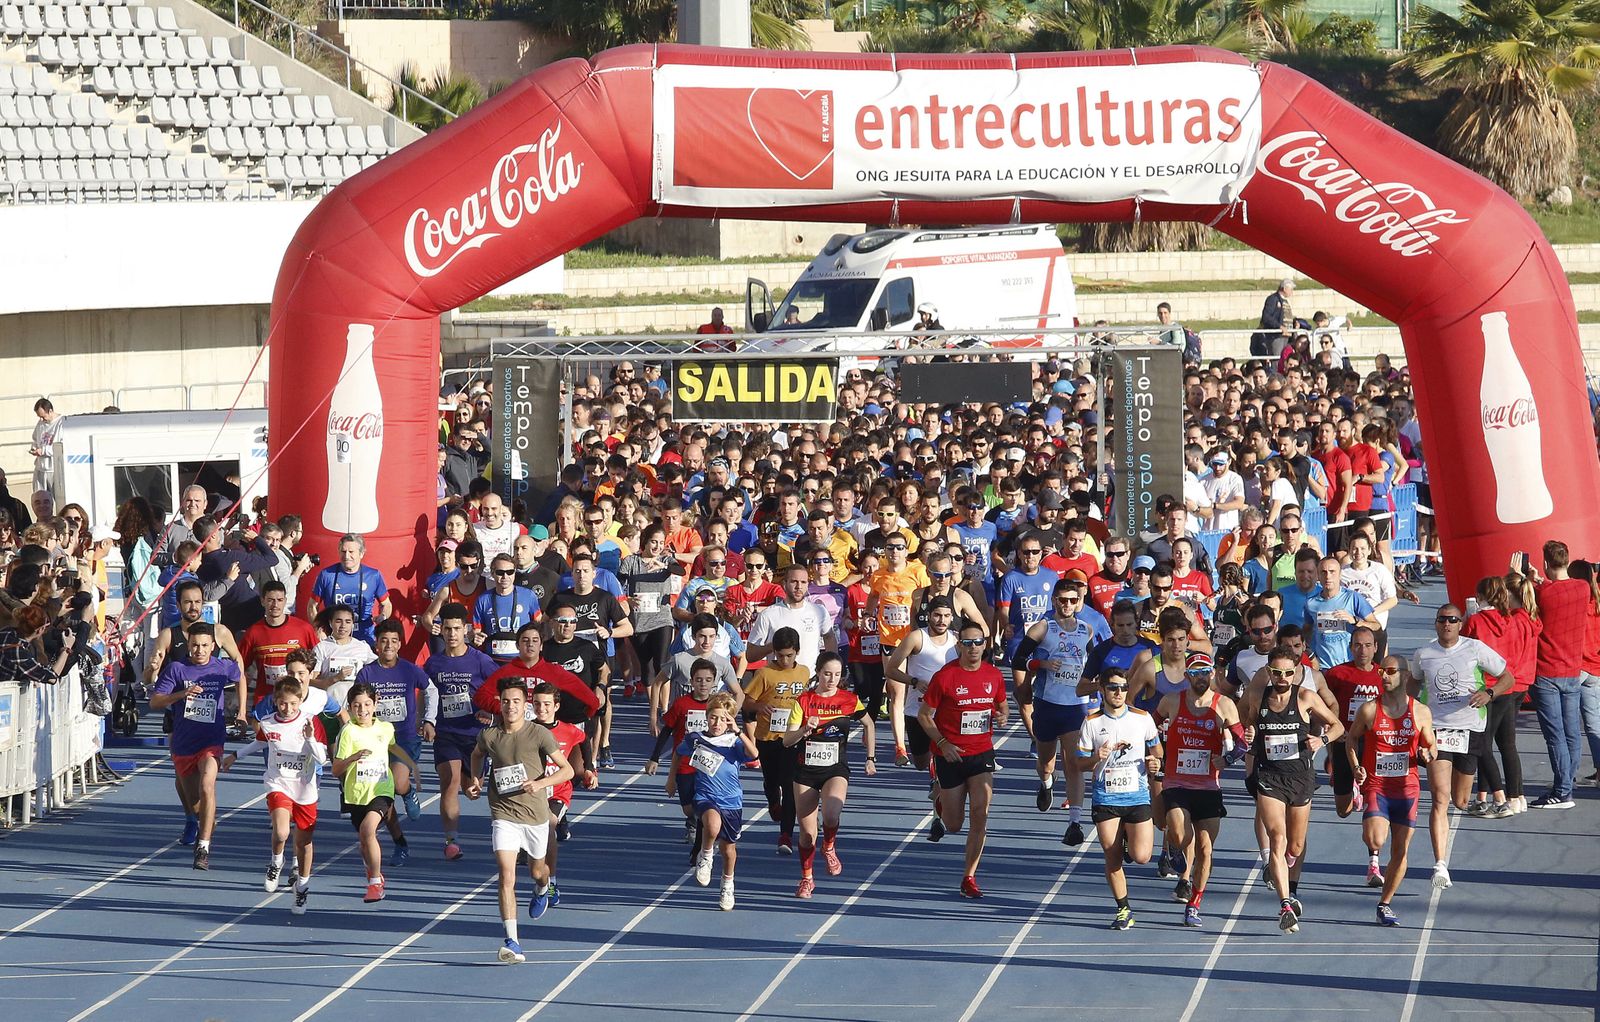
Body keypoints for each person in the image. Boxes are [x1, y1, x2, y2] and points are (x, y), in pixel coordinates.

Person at [465, 675, 572, 963]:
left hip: (535, 815)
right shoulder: (489, 735)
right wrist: (476, 780)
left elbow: (568, 771)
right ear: (498, 705)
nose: (510, 706)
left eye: (515, 701)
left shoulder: (539, 734)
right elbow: (476, 756)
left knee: (538, 871)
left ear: (525, 704)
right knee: (506, 875)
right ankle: (512, 941)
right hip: (503, 813)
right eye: (505, 701)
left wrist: (539, 784)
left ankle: (542, 888)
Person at [1409, 603, 1515, 890]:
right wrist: (1409, 717)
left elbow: (1509, 677)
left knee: (1460, 800)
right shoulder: (1424, 655)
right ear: (1436, 623)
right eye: (1442, 620)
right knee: (1440, 799)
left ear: (1460, 623)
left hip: (1470, 730)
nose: (1447, 624)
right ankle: (1440, 864)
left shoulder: (1475, 649)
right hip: (1438, 731)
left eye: (1453, 620)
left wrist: (1489, 693)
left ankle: (1457, 813)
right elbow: (1412, 688)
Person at [1244, 646, 1345, 933]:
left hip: (1301, 778)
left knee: (1295, 845)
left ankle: (1286, 874)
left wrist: (1321, 741)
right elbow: (1250, 723)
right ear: (1269, 672)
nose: (1283, 678)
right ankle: (1285, 903)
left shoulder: (1305, 697)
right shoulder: (1257, 695)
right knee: (1277, 838)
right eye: (1277, 673)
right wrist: (1250, 733)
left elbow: (1338, 727)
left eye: (1289, 672)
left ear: (1296, 672)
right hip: (1270, 778)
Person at [223, 676, 328, 914]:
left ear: (300, 701)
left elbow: (322, 759)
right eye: (282, 703)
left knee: (304, 843)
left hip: (305, 789)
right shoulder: (269, 724)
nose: (288, 709)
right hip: (278, 783)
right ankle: (276, 862)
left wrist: (310, 737)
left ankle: (302, 887)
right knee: (281, 831)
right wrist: (234, 756)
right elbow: (259, 743)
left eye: (292, 703)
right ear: (275, 701)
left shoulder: (311, 723)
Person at [918, 620, 1008, 898]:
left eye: (977, 642)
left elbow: (1002, 705)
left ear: (985, 645)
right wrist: (942, 744)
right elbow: (924, 715)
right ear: (958, 646)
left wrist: (1002, 715)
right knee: (954, 825)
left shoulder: (993, 675)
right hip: (951, 755)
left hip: (981, 753)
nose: (973, 648)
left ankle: (969, 876)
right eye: (967, 643)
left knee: (980, 813)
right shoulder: (945, 677)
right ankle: (940, 798)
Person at [1347, 654, 1436, 926]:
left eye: (1390, 671)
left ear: (1405, 675)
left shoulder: (1420, 712)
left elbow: (1432, 746)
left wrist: (1427, 754)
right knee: (1375, 839)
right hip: (1377, 785)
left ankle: (1384, 903)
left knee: (1401, 850)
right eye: (1381, 671)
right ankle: (1374, 859)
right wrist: (1355, 767)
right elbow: (1351, 738)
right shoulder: (1369, 710)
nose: (1384, 676)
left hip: (1407, 789)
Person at [1156, 656, 1244, 927]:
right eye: (1196, 673)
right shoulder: (1171, 701)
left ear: (1212, 675)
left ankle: (1194, 904)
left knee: (1205, 849)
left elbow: (1241, 744)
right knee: (1182, 834)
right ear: (1187, 676)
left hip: (1208, 786)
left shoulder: (1225, 705)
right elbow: (1149, 729)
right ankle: (1173, 845)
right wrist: (1157, 744)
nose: (1201, 678)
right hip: (1177, 782)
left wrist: (1226, 760)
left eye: (1206, 672)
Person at [781, 651, 876, 897]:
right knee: (807, 834)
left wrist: (870, 757)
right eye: (827, 674)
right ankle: (807, 878)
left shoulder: (849, 700)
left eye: (837, 674)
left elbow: (869, 724)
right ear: (818, 672)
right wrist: (804, 729)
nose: (832, 679)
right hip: (805, 771)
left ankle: (830, 845)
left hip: (835, 767)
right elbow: (786, 741)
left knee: (832, 814)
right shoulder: (803, 701)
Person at [149, 623, 242, 870]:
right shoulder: (177, 669)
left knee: (207, 785)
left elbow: (240, 672)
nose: (199, 650)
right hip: (184, 742)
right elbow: (155, 701)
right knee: (196, 801)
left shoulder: (222, 668)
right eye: (194, 646)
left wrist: (242, 711)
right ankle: (202, 819)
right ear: (188, 645)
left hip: (211, 740)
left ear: (213, 646)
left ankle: (203, 847)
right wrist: (182, 694)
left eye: (204, 646)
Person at [1012, 576, 1096, 845]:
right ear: (1054, 601)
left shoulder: (1087, 630)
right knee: (1046, 762)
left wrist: (1095, 688)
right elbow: (1017, 659)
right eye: (1063, 600)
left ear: (1079, 602)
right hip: (1047, 705)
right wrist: (1042, 665)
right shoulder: (1042, 628)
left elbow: (1092, 665)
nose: (1068, 605)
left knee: (1074, 764)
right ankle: (1046, 782)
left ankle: (1074, 822)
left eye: (1073, 600)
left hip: (1075, 707)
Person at [1078, 667, 1163, 930]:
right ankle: (1123, 908)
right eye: (1113, 688)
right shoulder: (1091, 722)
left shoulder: (1142, 718)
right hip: (1106, 797)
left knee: (1142, 856)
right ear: (1102, 690)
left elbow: (1157, 751)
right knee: (1111, 855)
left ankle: (1128, 838)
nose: (1119, 693)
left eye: (1123, 688)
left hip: (1136, 796)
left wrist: (1154, 764)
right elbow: (1078, 764)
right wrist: (1097, 757)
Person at [423, 603, 500, 860]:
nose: (452, 634)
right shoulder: (433, 663)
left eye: (457, 628)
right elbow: (427, 694)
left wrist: (491, 713)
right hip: (446, 731)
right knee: (450, 782)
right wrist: (427, 721)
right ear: (441, 630)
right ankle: (451, 840)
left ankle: (476, 777)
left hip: (475, 734)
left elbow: (501, 689)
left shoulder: (481, 661)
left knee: (473, 789)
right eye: (447, 629)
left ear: (466, 629)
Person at [332, 681, 418, 905]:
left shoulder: (386, 729)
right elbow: (335, 770)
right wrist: (353, 758)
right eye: (357, 706)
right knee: (364, 839)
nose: (363, 710)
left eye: (367, 704)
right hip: (356, 794)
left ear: (375, 703)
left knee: (368, 830)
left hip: (381, 789)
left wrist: (412, 769)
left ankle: (374, 883)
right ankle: (375, 873)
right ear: (350, 707)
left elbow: (390, 750)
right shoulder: (348, 732)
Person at [680, 691, 759, 911]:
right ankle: (705, 857)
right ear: (707, 716)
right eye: (713, 717)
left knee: (728, 850)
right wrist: (672, 780)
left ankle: (727, 883)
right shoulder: (696, 738)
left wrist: (739, 732)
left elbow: (754, 754)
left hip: (731, 801)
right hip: (705, 796)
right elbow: (679, 752)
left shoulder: (734, 742)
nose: (717, 722)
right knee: (711, 825)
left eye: (723, 718)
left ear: (730, 720)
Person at [740, 626, 810, 854]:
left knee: (790, 785)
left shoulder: (804, 673)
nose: (784, 659)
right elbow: (746, 701)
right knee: (772, 781)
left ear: (797, 652)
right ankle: (772, 801)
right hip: (767, 738)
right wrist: (760, 706)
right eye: (780, 655)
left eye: (789, 655)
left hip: (793, 738)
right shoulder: (765, 674)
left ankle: (786, 834)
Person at [1529, 540, 1588, 809]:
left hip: (1547, 671)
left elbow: (1541, 596)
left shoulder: (1542, 592)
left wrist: (1531, 580)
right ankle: (1567, 782)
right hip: (1573, 670)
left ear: (1545, 563)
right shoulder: (1583, 588)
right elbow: (1559, 589)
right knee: (1572, 733)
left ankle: (1563, 790)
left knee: (1555, 736)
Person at [356, 618, 430, 823]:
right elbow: (356, 702)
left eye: (394, 641)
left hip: (404, 738)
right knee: (380, 788)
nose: (389, 645)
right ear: (376, 644)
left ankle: (407, 793)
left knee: (397, 783)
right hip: (375, 739)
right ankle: (392, 832)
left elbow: (430, 688)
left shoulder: (409, 669)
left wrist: (427, 719)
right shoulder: (366, 673)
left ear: (399, 644)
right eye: (384, 641)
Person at [883, 598, 959, 775]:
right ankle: (934, 769)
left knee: (946, 754)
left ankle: (938, 779)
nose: (942, 621)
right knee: (920, 762)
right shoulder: (917, 637)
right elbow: (891, 670)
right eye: (937, 615)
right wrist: (914, 681)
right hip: (916, 709)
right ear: (928, 616)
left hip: (947, 709)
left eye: (946, 616)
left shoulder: (956, 640)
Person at [1324, 626, 1384, 819]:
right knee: (1343, 811)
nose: (1363, 650)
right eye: (1357, 645)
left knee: (1375, 803)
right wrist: (1332, 727)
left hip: (1374, 744)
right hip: (1345, 742)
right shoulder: (1336, 674)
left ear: (1376, 647)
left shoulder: (1384, 676)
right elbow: (1323, 705)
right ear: (1350, 648)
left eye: (1367, 645)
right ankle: (1351, 790)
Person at [238, 581, 319, 705]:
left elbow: (318, 660)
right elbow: (239, 666)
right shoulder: (253, 632)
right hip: (266, 699)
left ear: (285, 601)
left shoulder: (303, 628)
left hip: (297, 700)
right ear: (262, 601)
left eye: (280, 600)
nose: (275, 605)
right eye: (270, 600)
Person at [306, 533, 391, 644]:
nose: (346, 556)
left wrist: (383, 616)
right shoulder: (326, 574)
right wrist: (319, 628)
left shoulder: (373, 575)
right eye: (343, 551)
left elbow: (387, 604)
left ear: (361, 553)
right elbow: (312, 605)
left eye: (351, 552)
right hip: (334, 635)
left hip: (364, 636)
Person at [28, 396, 62, 503]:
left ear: (50, 411)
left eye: (43, 416)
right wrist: (34, 448)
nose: (42, 420)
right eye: (39, 417)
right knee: (39, 499)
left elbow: (60, 447)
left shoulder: (61, 423)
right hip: (40, 467)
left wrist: (43, 451)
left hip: (54, 469)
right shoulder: (41, 423)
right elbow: (35, 438)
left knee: (58, 500)